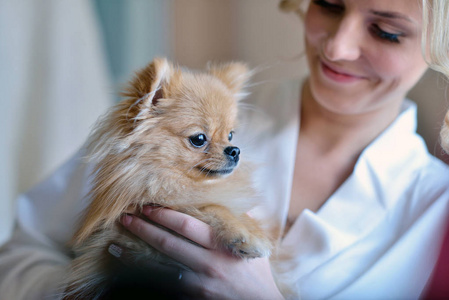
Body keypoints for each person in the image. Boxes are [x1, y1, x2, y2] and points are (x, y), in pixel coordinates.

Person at [1, 0, 449, 299]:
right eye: (329, 4)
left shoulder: (437, 208)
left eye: (387, 31)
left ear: (439, 45)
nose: (338, 45)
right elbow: (23, 251)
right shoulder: (169, 122)